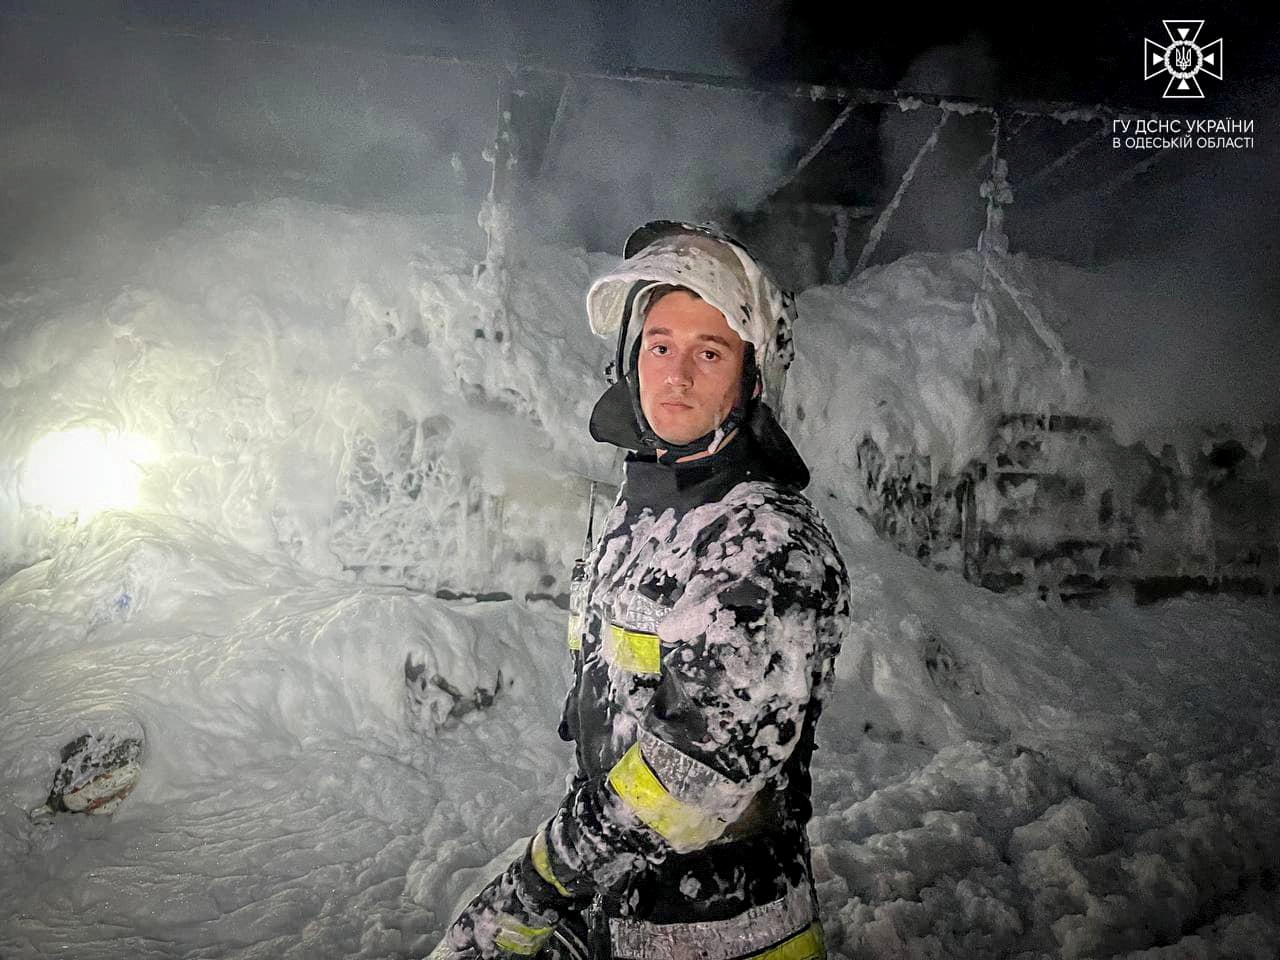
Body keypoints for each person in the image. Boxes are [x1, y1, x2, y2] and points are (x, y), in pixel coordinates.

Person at [428, 221, 850, 960]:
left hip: (722, 937)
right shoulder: (644, 514)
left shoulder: (766, 541)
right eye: (659, 346)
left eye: (708, 352)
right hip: (621, 920)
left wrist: (541, 880)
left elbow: (697, 772)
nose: (676, 375)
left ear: (752, 380)